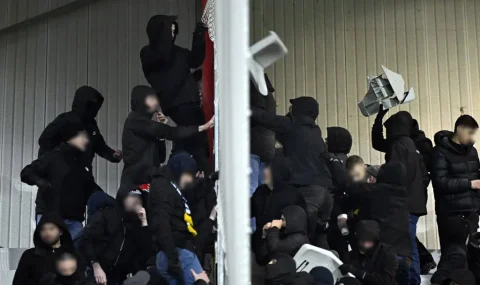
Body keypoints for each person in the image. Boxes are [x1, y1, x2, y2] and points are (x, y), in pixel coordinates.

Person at [250, 96, 333, 249]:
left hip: (307, 188)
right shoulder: (315, 132)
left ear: (299, 110)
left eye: (293, 108)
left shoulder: (291, 126)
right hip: (324, 191)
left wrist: (244, 108)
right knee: (318, 236)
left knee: (299, 230)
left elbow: (265, 118)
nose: (289, 110)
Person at [140, 15, 210, 172]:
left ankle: (178, 171)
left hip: (188, 104)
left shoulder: (176, 52)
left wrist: (198, 35)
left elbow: (195, 59)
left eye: (173, 31)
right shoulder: (148, 53)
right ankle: (204, 173)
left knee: (187, 140)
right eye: (168, 31)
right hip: (177, 103)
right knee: (197, 140)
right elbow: (162, 56)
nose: (172, 35)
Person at [326, 159, 411, 285]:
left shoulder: (375, 191)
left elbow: (348, 186)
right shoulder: (403, 194)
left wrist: (334, 163)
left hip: (382, 254)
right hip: (404, 254)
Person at [370, 109, 428, 285]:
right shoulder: (412, 145)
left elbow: (394, 175)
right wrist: (378, 120)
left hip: (403, 203)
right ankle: (412, 279)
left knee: (406, 246)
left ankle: (411, 280)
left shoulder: (398, 146)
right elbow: (425, 177)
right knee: (409, 243)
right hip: (415, 202)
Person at [21, 123, 102, 243]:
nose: (86, 140)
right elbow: (26, 173)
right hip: (50, 218)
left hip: (75, 221)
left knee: (75, 255)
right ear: (70, 138)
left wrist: (108, 201)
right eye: (82, 136)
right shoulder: (52, 156)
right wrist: (38, 180)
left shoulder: (82, 163)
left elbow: (91, 188)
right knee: (50, 256)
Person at [121, 85, 213, 186]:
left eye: (156, 99)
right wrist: (203, 127)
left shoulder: (148, 126)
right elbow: (171, 132)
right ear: (141, 101)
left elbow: (161, 158)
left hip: (148, 180)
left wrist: (162, 128)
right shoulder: (134, 120)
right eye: (151, 99)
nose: (156, 102)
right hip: (135, 181)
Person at [148, 153, 206, 285]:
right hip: (177, 251)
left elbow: (189, 198)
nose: (191, 179)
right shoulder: (163, 187)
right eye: (190, 175)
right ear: (182, 171)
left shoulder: (171, 187)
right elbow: (161, 222)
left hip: (173, 252)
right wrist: (172, 257)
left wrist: (207, 182)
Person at [80, 189, 153, 285]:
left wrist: (144, 222)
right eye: (132, 196)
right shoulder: (107, 214)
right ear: (123, 199)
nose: (136, 200)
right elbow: (87, 240)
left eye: (139, 197)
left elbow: (145, 254)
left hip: (120, 277)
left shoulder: (138, 223)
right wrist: (96, 266)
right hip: (97, 273)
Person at [38, 86, 121, 168]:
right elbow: (45, 139)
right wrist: (57, 159)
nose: (95, 108)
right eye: (92, 104)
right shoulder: (65, 119)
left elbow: (99, 145)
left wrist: (113, 155)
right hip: (61, 172)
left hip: (81, 172)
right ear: (84, 103)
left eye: (96, 105)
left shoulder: (91, 125)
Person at [431, 115, 480, 254]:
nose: (472, 137)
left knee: (472, 256)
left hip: (471, 214)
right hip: (450, 215)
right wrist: (470, 184)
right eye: (470, 133)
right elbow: (440, 182)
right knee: (453, 257)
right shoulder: (439, 152)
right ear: (459, 129)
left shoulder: (472, 151)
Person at [251, 158, 306, 264]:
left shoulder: (292, 195)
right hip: (260, 242)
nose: (264, 172)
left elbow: (298, 225)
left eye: (268, 169)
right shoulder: (261, 191)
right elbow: (250, 210)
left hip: (281, 248)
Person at [13, 213, 76, 285]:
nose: (47, 232)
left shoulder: (73, 255)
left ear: (61, 231)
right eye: (43, 229)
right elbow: (18, 282)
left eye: (51, 228)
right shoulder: (29, 255)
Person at [249, 74, 277, 231]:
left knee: (251, 189)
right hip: (267, 145)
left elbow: (255, 114)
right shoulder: (269, 93)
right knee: (261, 189)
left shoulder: (252, 85)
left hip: (253, 144)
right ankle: (261, 228)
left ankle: (251, 229)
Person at [339, 220, 397, 285]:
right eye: (363, 240)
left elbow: (387, 280)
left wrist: (357, 272)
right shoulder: (353, 253)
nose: (366, 243)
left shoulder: (387, 253)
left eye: (369, 240)